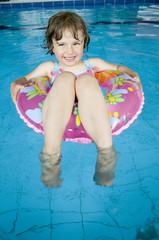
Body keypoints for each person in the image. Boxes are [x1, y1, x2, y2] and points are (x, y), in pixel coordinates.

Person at [11, 11, 142, 188]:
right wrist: (16, 84)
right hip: (58, 111)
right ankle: (51, 152)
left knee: (86, 79)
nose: (70, 51)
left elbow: (118, 69)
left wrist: (132, 74)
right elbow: (25, 80)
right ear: (52, 45)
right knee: (65, 78)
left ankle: (106, 153)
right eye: (62, 44)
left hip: (91, 110)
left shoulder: (93, 65)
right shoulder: (49, 68)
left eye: (75, 43)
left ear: (84, 42)